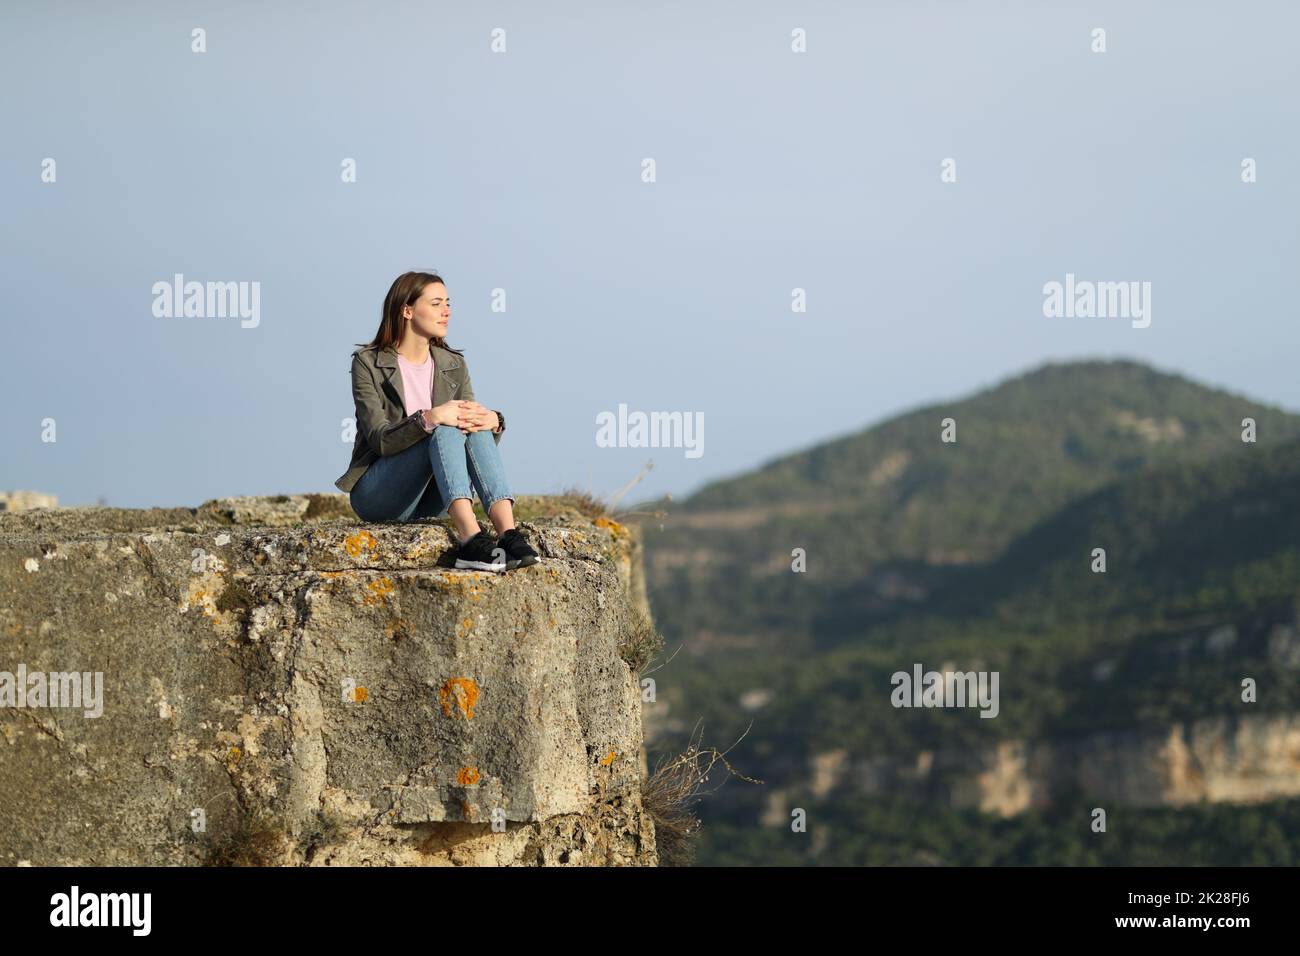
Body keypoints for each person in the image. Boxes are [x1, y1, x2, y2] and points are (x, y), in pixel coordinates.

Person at [334, 270, 539, 572]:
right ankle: (470, 540)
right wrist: (429, 419)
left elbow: (471, 437)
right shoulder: (368, 362)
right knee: (444, 427)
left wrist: (493, 421)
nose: (447, 311)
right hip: (379, 493)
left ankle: (508, 533)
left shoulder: (453, 364)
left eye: (448, 303)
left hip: (432, 497)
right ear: (407, 310)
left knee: (470, 422)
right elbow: (379, 439)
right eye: (436, 303)